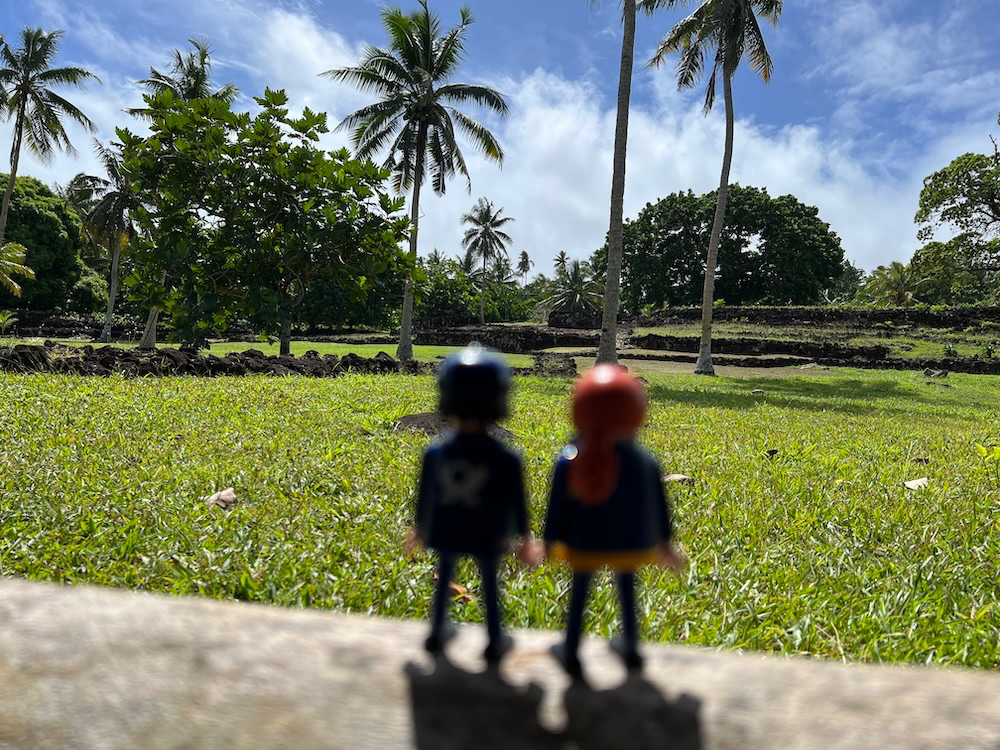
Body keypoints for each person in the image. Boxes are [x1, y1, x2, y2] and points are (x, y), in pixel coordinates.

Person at [544, 364, 686, 676]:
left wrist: (548, 542)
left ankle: (570, 648)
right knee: (627, 592)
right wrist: (665, 545)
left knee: (580, 593)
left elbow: (556, 509)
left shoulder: (568, 460)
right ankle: (631, 647)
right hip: (629, 546)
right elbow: (660, 510)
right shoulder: (645, 462)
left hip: (583, 545)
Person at [408, 345, 542, 663]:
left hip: (448, 531)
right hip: (488, 533)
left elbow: (425, 497)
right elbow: (517, 503)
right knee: (491, 586)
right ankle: (495, 638)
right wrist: (525, 538)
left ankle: (437, 631)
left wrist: (421, 529)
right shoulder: (506, 457)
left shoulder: (436, 453)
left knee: (445, 579)